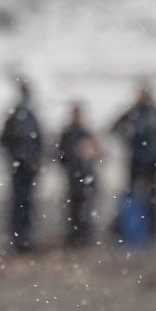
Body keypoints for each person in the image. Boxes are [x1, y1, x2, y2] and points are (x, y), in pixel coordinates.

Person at [110, 84, 156, 245]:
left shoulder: (154, 113)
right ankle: (127, 230)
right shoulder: (134, 113)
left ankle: (151, 231)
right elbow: (114, 127)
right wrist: (129, 139)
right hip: (136, 160)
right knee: (132, 196)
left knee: (152, 197)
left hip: (151, 161)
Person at [0, 79, 44, 253]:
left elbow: (39, 143)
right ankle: (18, 240)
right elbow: (3, 141)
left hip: (28, 169)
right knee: (19, 204)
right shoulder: (18, 116)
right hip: (20, 169)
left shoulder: (30, 117)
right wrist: (16, 157)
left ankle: (25, 239)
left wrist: (34, 162)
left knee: (27, 205)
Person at [56, 103, 101, 249]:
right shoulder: (68, 133)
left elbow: (98, 153)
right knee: (73, 208)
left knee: (86, 207)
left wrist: (91, 153)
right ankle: (74, 236)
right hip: (73, 176)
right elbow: (59, 155)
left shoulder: (86, 132)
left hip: (86, 175)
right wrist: (73, 157)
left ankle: (84, 235)